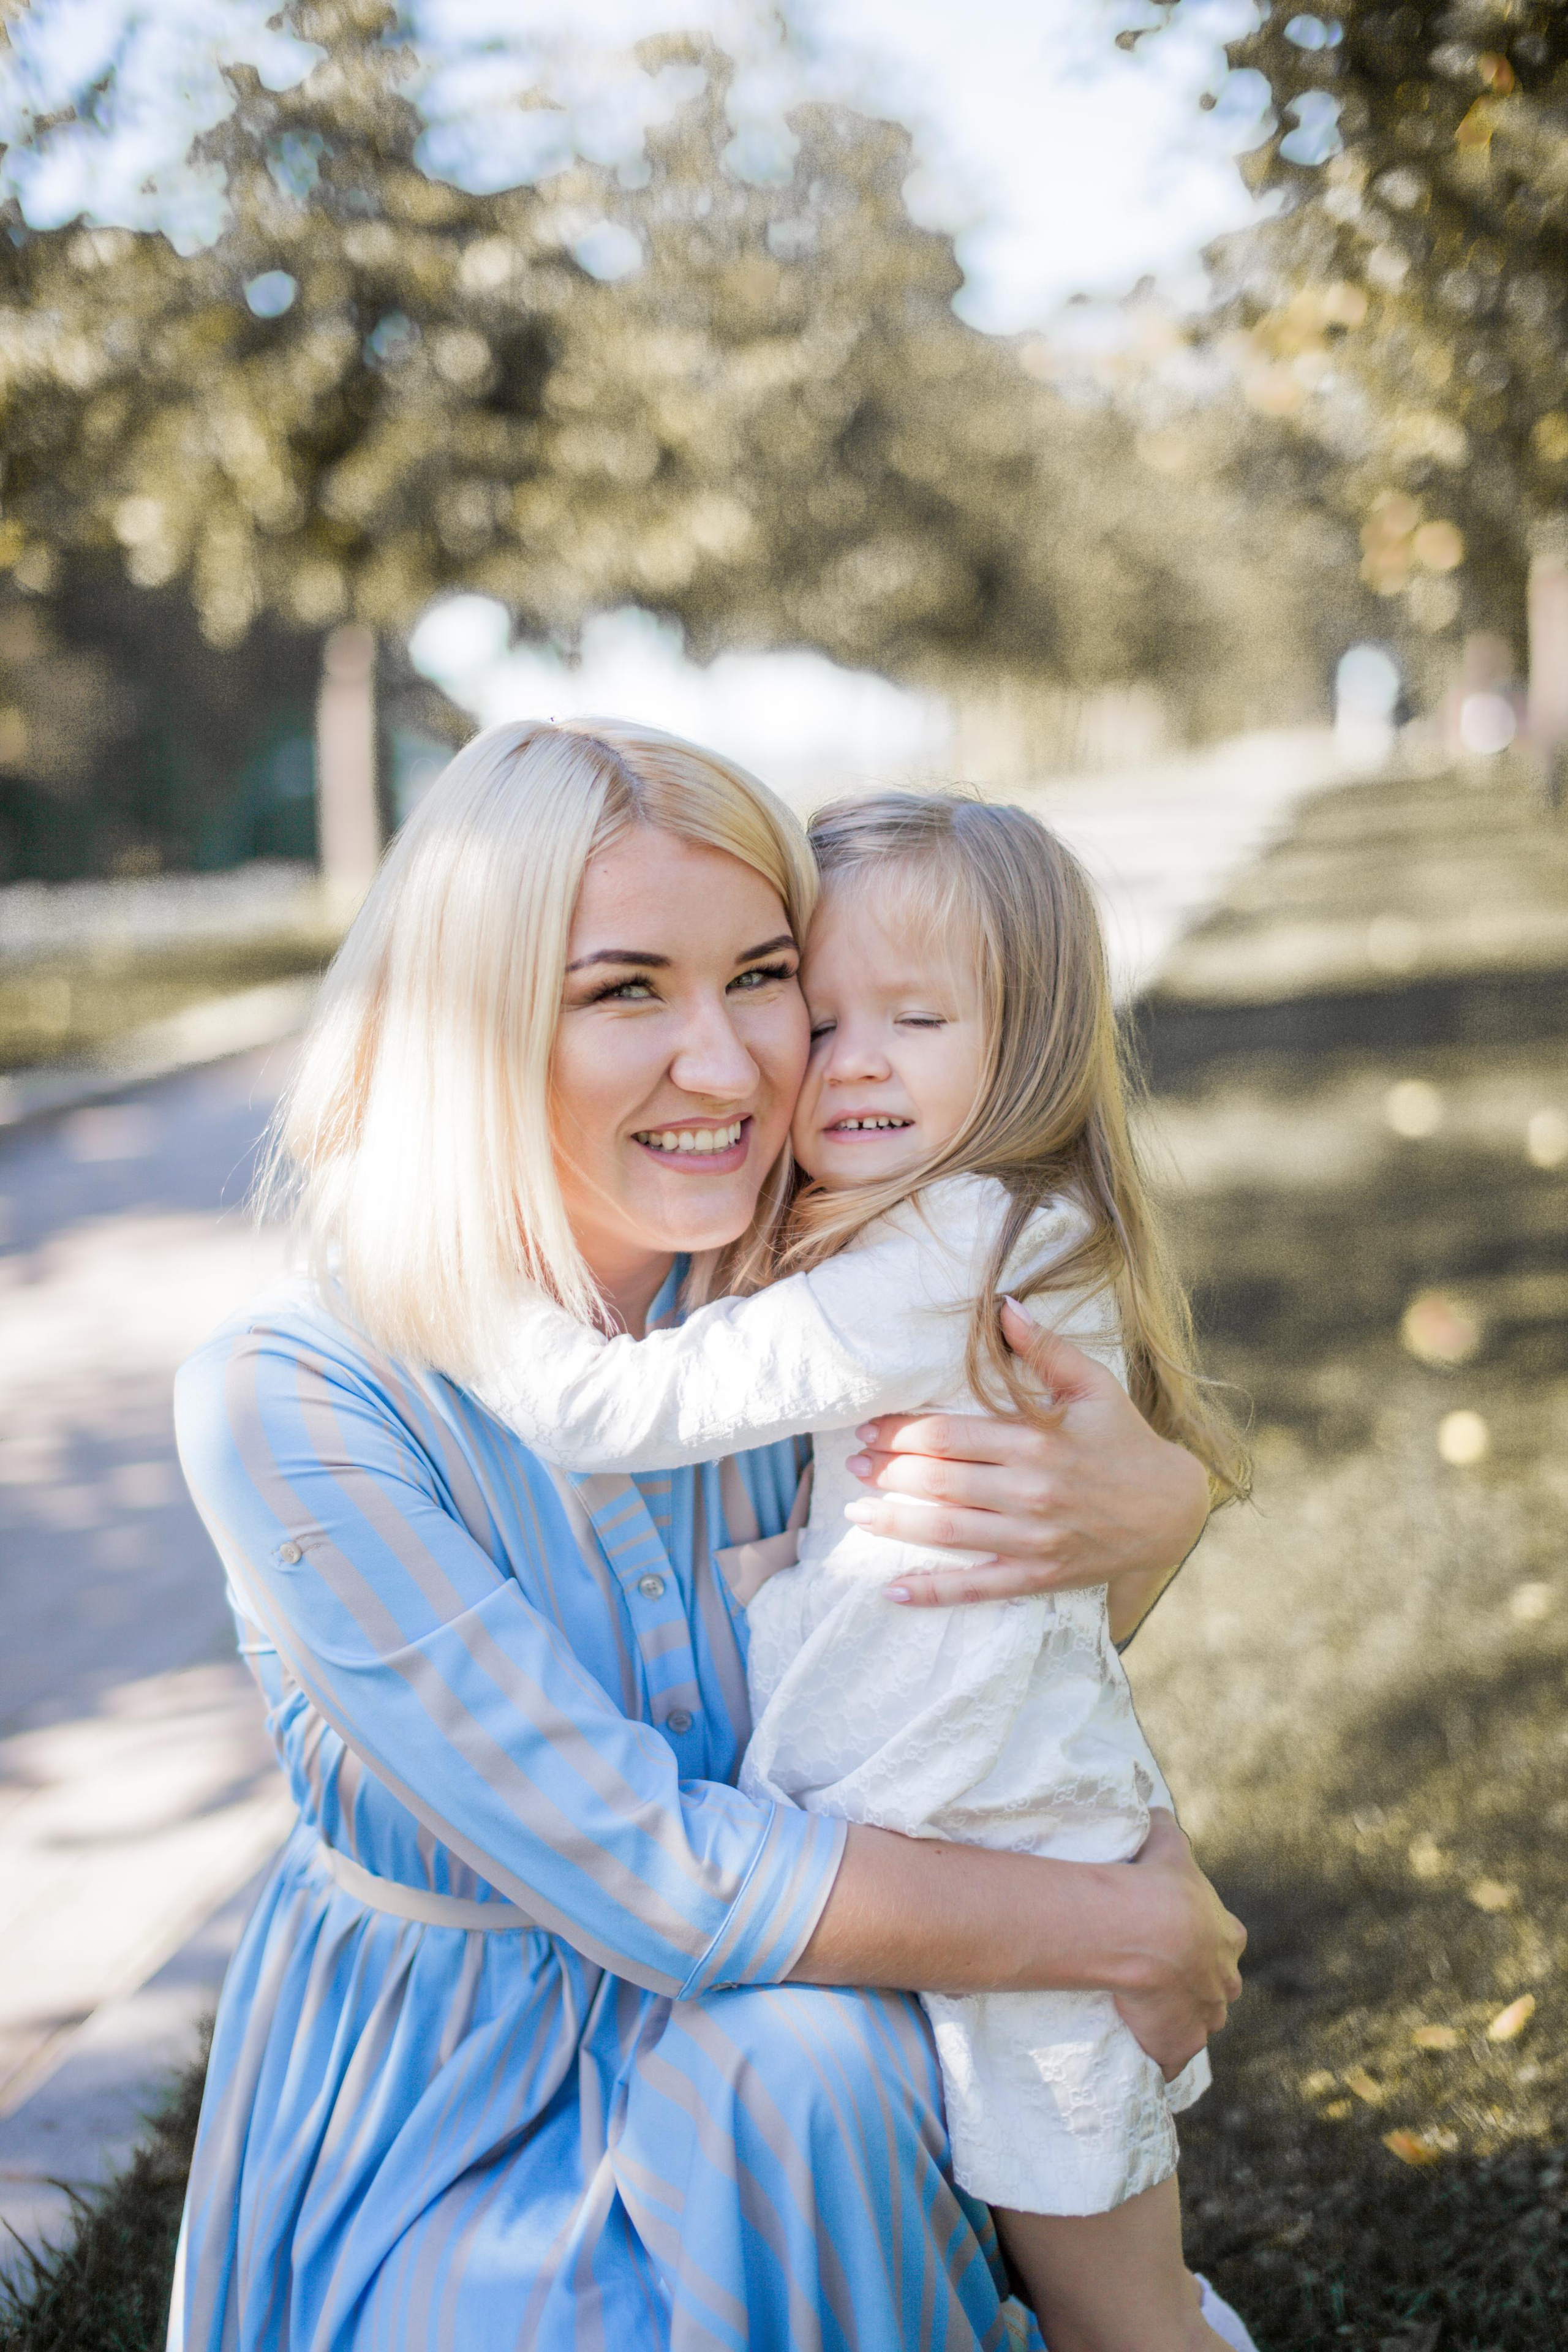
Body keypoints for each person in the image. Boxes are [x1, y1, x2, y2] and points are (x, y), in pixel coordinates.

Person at [168, 719, 1245, 2352]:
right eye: (624, 992)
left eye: (763, 979)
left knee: (799, 2080)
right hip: (457, 2078)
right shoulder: (295, 1400)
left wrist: (1154, 1505)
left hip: (801, 2022)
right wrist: (1124, 1922)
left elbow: (964, 1645)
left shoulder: (792, 1294)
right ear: (471, 1026)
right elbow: (645, 1871)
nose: (736, 1064)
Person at [460, 791, 1256, 2352]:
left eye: (915, 1015)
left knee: (1117, 2316)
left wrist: (455, 1262)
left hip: (998, 1873)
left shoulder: (949, 1248)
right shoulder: (949, 1232)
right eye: (814, 1018)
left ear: (1022, 1042)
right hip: (962, 1837)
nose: (854, 1061)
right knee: (1020, 2279)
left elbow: (613, 1408)